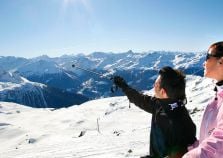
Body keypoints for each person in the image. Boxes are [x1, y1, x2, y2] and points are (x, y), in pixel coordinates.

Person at [113, 66, 197, 158]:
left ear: (163, 92)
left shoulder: (177, 122)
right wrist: (124, 86)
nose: (153, 86)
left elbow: (184, 155)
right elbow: (141, 100)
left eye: (156, 84)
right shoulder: (163, 104)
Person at [183, 41, 223, 158]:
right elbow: (209, 138)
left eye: (207, 57)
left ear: (221, 61)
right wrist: (189, 148)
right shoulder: (217, 98)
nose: (203, 63)